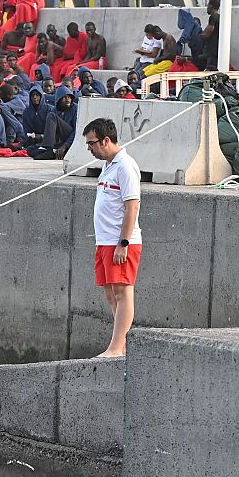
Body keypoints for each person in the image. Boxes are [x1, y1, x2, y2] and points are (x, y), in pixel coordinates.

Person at [84, 118, 142, 357]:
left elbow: (132, 206)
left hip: (120, 242)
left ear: (106, 140)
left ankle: (117, 347)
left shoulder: (125, 166)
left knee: (122, 291)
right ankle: (122, 344)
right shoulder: (108, 166)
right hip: (104, 240)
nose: (90, 149)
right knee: (110, 293)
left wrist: (123, 242)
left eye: (92, 144)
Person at [200, 0, 220, 70]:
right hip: (217, 50)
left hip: (212, 50)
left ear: (211, 6)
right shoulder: (219, 17)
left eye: (208, 6)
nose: (207, 8)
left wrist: (198, 36)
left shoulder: (213, 17)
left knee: (210, 70)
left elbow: (207, 33)